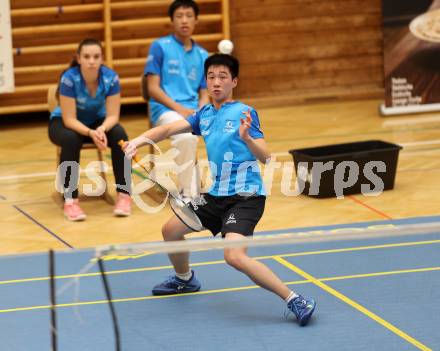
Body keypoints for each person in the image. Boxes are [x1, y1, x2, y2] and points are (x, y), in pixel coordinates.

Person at [125, 54, 316, 326]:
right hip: (216, 195)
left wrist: (249, 138)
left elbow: (266, 157)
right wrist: (138, 141)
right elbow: (168, 129)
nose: (216, 82)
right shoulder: (204, 114)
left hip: (246, 197)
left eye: (223, 77)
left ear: (234, 81)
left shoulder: (244, 113)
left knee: (234, 256)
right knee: (170, 231)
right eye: (211, 77)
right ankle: (185, 279)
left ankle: (295, 299)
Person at [48, 38, 132, 221]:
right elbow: (69, 119)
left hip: (97, 122)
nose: (91, 61)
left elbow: (113, 116)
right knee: (71, 139)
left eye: (96, 56)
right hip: (64, 124)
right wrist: (90, 133)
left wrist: (101, 129)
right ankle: (70, 200)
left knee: (120, 135)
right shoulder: (69, 79)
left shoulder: (111, 78)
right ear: (78, 58)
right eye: (87, 56)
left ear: (102, 58)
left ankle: (124, 195)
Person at [143, 0, 210, 202]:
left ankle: (226, 189)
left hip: (192, 111)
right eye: (179, 16)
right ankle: (188, 195)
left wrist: (201, 111)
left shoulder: (203, 55)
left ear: (196, 20)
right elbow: (152, 88)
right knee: (186, 137)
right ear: (172, 20)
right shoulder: (159, 47)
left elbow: (204, 90)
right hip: (165, 110)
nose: (184, 20)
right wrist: (181, 110)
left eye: (189, 15)